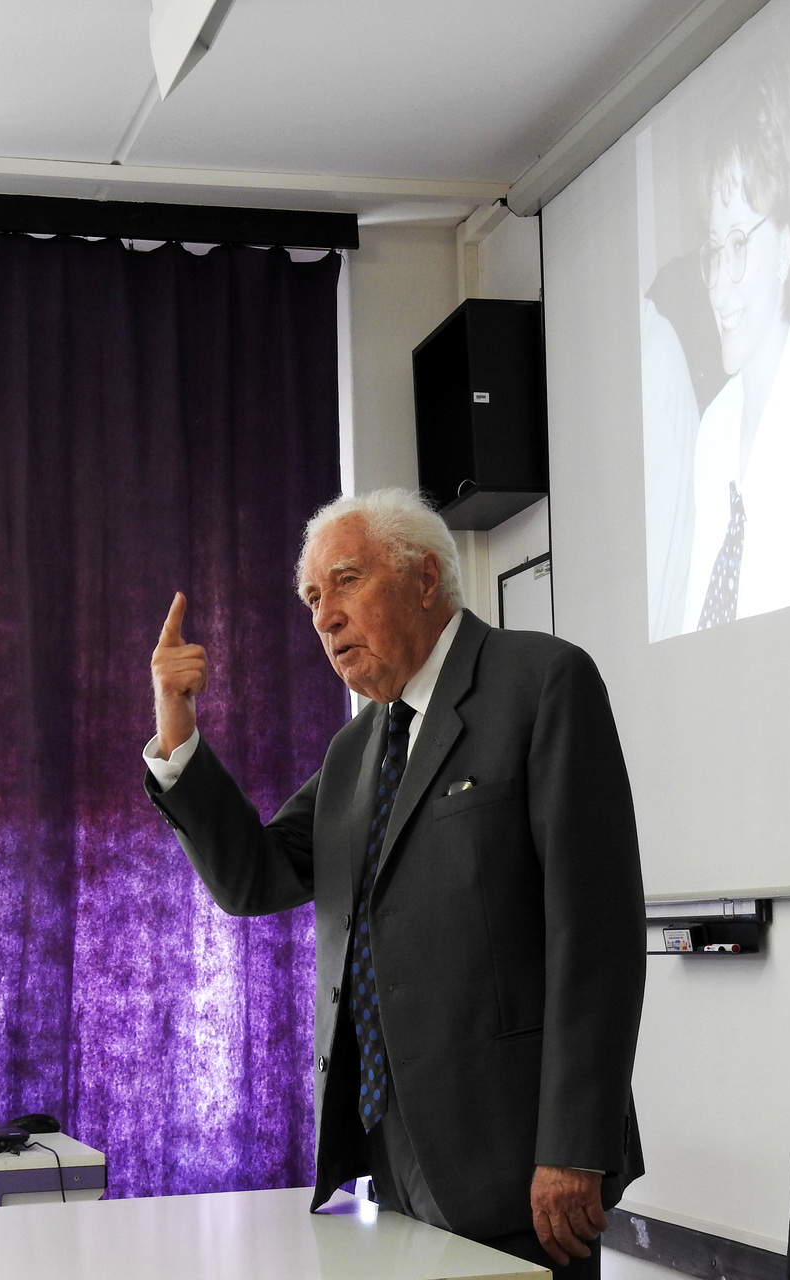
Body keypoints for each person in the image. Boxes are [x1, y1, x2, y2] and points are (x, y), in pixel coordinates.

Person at [144, 488, 646, 1276]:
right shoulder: (355, 749)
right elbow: (255, 878)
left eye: (345, 581)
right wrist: (176, 723)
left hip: (520, 1158)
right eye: (312, 598)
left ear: (423, 578)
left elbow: (595, 932)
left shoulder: (540, 681)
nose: (324, 617)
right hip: (388, 1152)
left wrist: (573, 1148)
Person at [681, 67, 790, 633]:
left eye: (740, 243)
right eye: (715, 250)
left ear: (785, 247)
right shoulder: (713, 430)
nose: (719, 286)